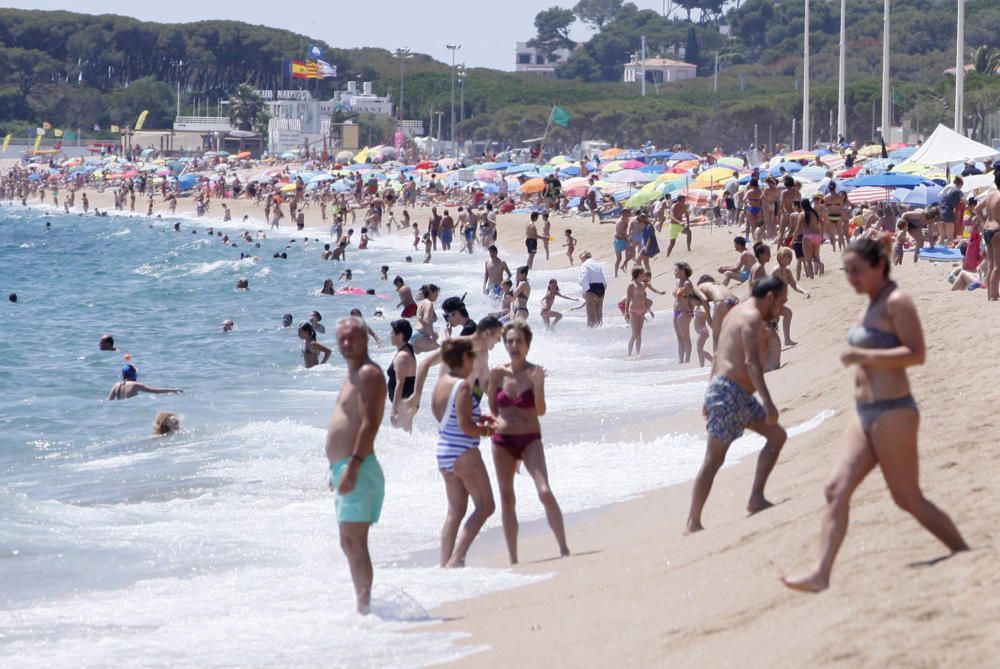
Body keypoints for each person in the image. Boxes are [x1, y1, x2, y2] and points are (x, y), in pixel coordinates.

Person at [782, 238, 968, 593]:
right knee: (835, 489)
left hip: (894, 411)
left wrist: (865, 358)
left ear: (878, 267)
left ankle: (962, 550)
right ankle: (820, 573)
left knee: (907, 498)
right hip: (863, 412)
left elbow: (916, 354)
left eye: (856, 271)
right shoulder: (871, 302)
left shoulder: (897, 302)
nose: (850, 278)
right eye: (846, 272)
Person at [685, 277, 788, 533]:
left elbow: (719, 354)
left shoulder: (735, 313)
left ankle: (756, 498)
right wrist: (768, 402)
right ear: (770, 298)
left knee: (777, 436)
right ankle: (692, 522)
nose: (782, 307)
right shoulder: (752, 318)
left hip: (730, 392)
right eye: (782, 301)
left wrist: (709, 391)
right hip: (731, 395)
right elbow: (752, 363)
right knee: (713, 460)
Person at [488, 322, 570, 564]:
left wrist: (538, 384)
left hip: (530, 439)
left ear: (527, 345)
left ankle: (564, 549)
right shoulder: (497, 373)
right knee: (507, 498)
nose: (513, 345)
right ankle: (513, 559)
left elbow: (541, 411)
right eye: (509, 341)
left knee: (544, 491)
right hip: (502, 441)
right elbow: (493, 409)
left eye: (518, 341)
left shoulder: (535, 373)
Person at [324, 317, 387, 615]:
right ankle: (363, 605)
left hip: (359, 468)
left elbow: (370, 423)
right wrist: (335, 467)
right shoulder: (351, 374)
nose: (346, 343)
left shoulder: (368, 374)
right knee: (348, 542)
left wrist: (353, 466)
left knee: (355, 542)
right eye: (342, 339)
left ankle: (365, 609)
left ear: (364, 338)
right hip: (346, 467)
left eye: (352, 337)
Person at [431, 338, 497, 567]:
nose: (474, 363)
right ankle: (456, 560)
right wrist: (488, 430)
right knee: (486, 506)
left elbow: (445, 418)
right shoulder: (463, 386)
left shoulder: (440, 384)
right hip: (464, 451)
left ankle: (444, 564)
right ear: (464, 359)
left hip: (444, 451)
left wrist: (479, 419)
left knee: (455, 512)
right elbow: (464, 425)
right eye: (472, 358)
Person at [387, 319, 417, 432]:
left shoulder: (402, 356)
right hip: (406, 402)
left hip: (403, 403)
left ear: (400, 335)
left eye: (392, 332)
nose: (389, 334)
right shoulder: (407, 349)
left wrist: (394, 409)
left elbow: (400, 384)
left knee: (402, 433)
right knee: (406, 433)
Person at [108, 364, 183, 400]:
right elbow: (155, 391)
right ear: (133, 374)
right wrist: (173, 390)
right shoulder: (136, 385)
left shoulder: (116, 385)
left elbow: (109, 400)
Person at [579, 251, 607, 327]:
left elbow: (584, 278)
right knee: (599, 312)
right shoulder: (597, 264)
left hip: (591, 289)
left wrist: (586, 291)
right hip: (601, 287)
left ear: (583, 258)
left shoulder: (585, 265)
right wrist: (602, 291)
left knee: (590, 314)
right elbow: (604, 281)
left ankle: (591, 334)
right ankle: (600, 330)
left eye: (581, 259)